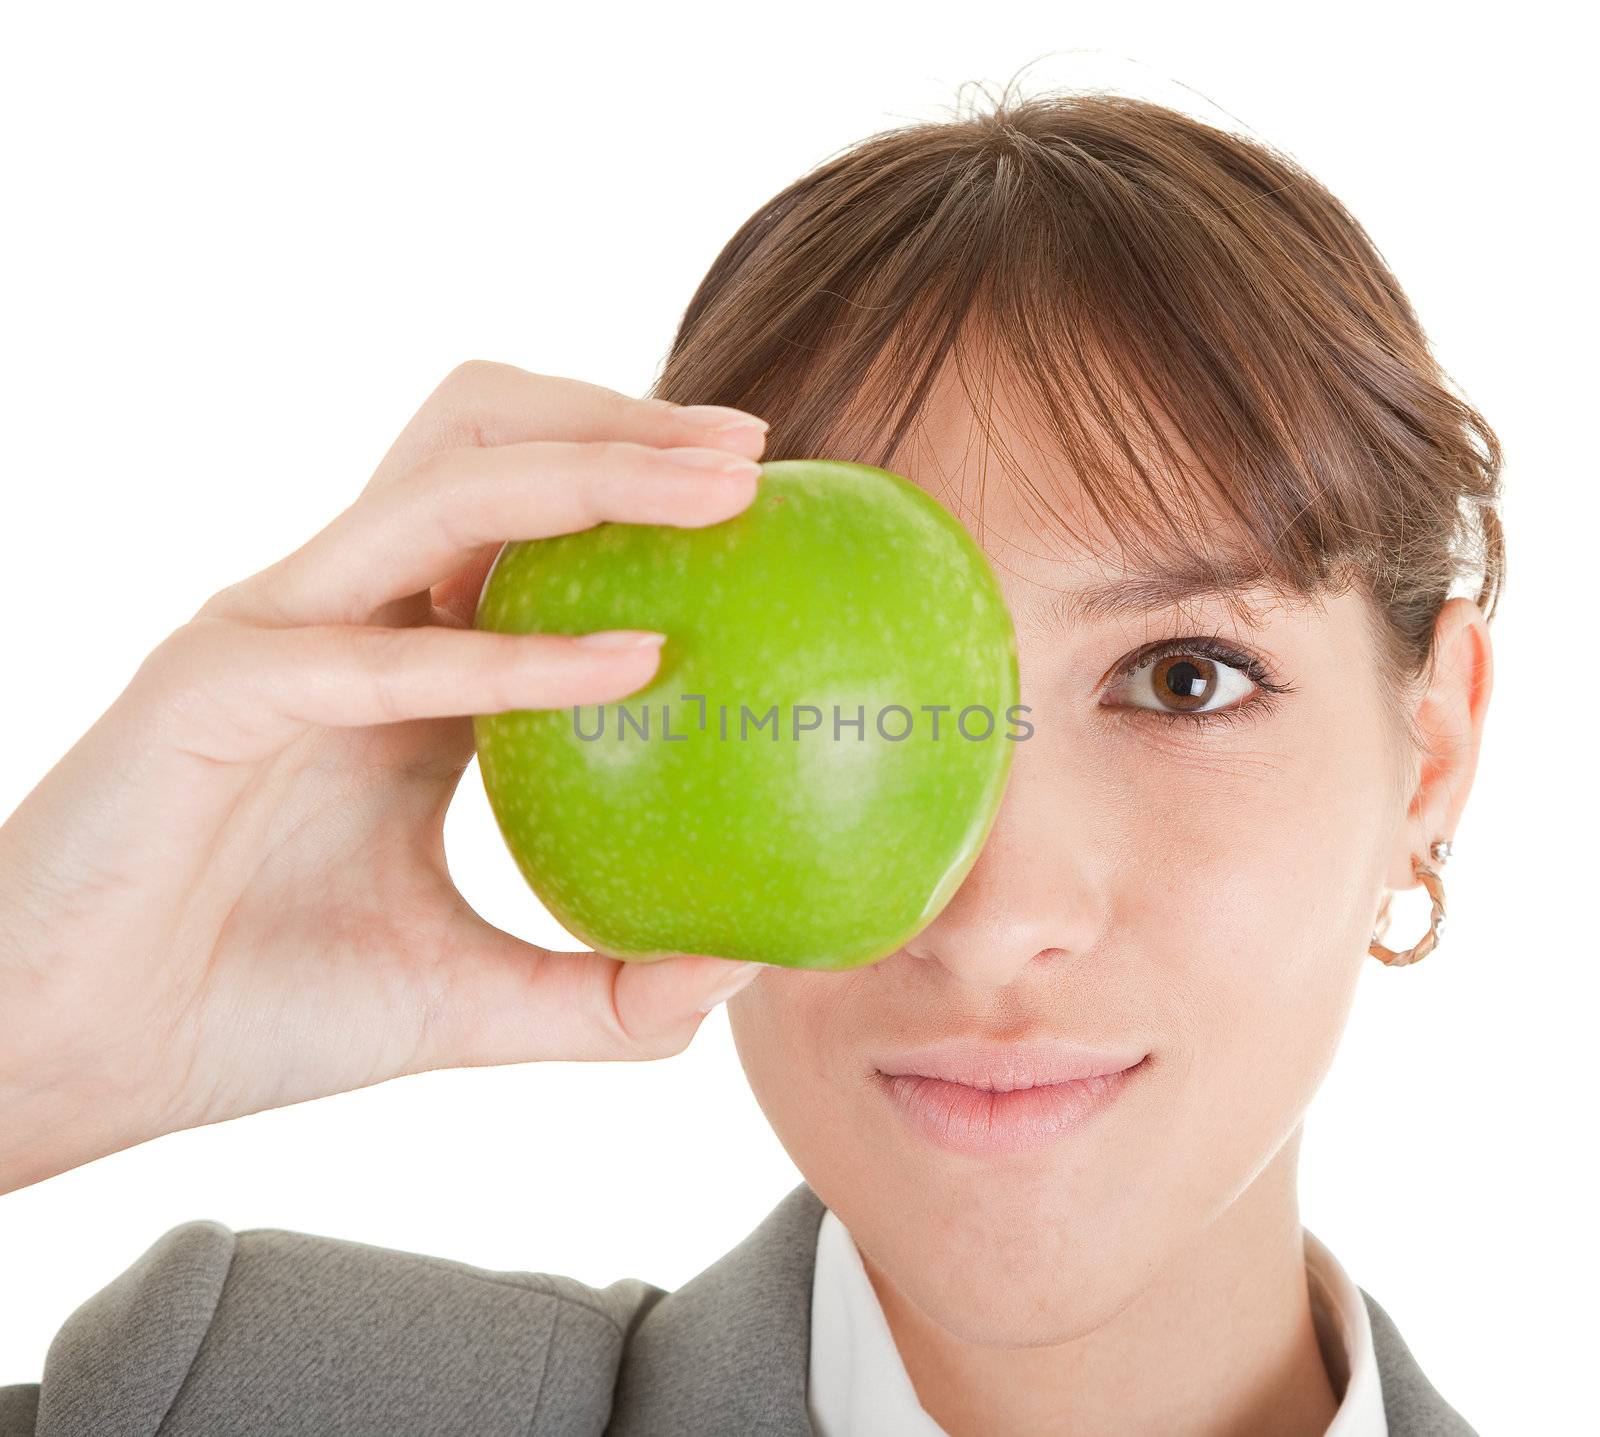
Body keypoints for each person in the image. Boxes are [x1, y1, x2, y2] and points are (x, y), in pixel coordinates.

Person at [0, 84, 1498, 1436]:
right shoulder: (249, 1396)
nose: (986, 914)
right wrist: (30, 1054)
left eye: (1183, 678)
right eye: (851, 694)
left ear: (1426, 750)